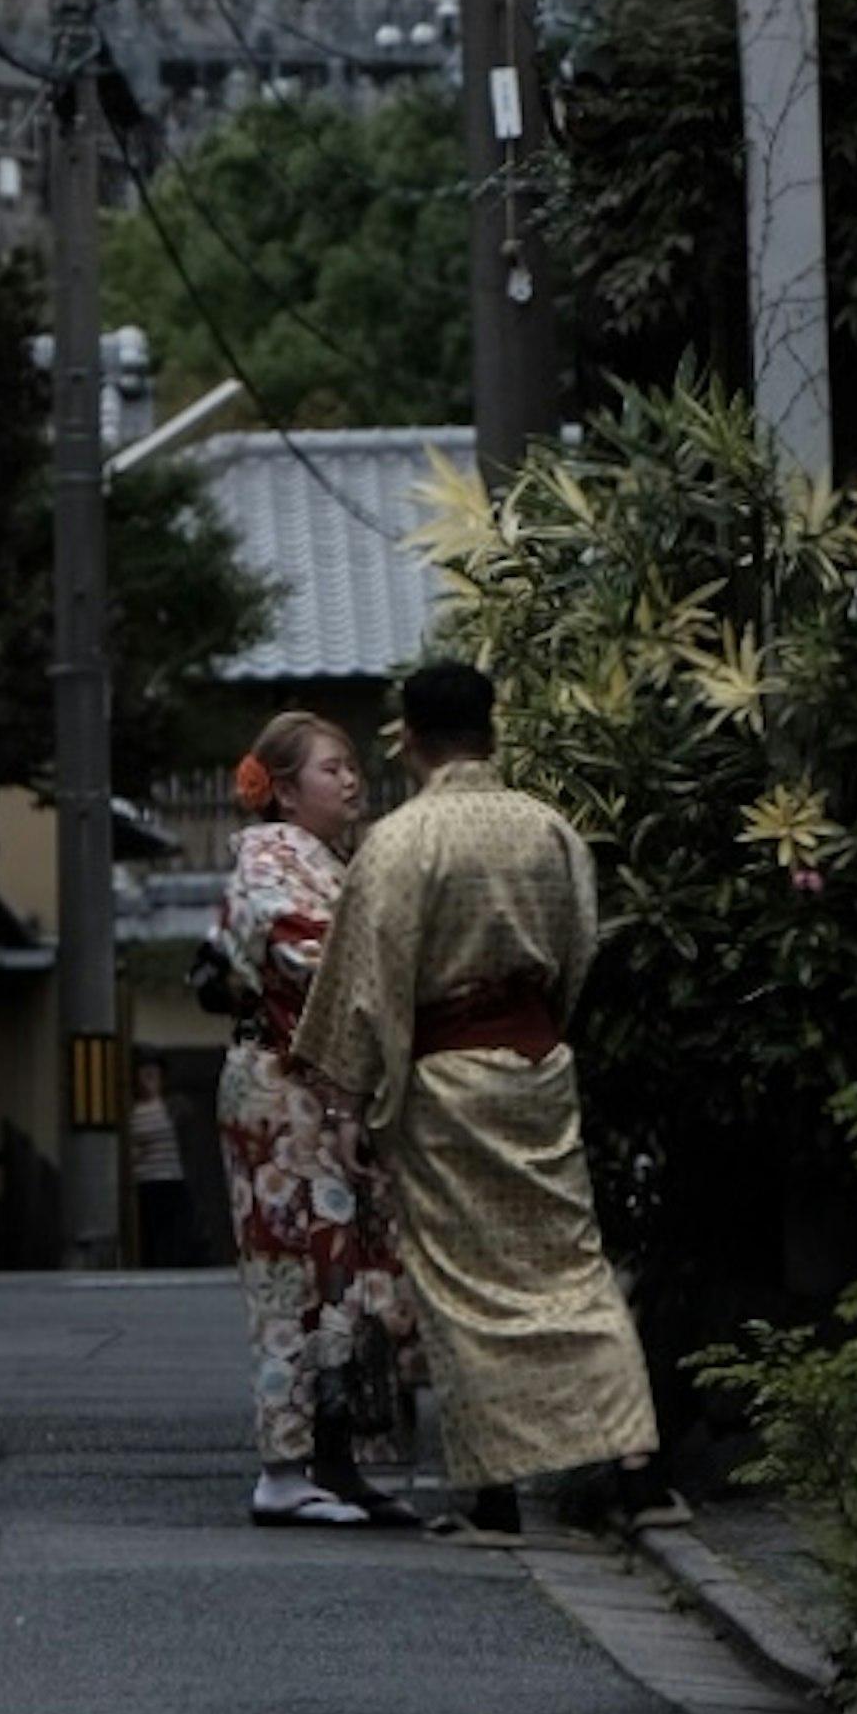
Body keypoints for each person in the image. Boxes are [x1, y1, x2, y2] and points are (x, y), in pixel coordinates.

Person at [292, 659, 661, 1537]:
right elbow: (577, 951)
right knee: (572, 1265)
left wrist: (348, 1103)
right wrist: (536, 1029)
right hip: (536, 1062)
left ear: (409, 739)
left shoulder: (401, 842)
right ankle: (643, 1472)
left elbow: (368, 979)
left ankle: (496, 1495)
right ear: (492, 730)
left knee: (463, 1286)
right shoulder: (549, 831)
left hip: (448, 1078)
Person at [214, 709, 425, 1528]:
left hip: (320, 1084)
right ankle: (285, 1467)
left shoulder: (321, 860)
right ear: (284, 788)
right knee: (292, 1272)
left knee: (342, 1271)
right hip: (283, 1087)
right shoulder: (269, 857)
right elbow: (307, 959)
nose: (351, 779)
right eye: (330, 767)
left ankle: (336, 1461)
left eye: (349, 766)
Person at [126, 1057, 199, 1270]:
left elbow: (187, 1119)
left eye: (153, 1073)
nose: (149, 1078)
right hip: (145, 1180)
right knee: (149, 1230)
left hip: (172, 1176)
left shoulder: (172, 1104)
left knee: (177, 1227)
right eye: (144, 1073)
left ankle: (177, 1263)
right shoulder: (131, 1109)